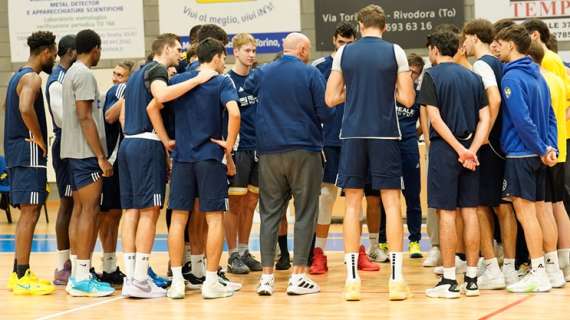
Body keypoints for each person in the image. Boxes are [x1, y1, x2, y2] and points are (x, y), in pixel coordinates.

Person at [325, 4, 415, 301]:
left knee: (352, 205)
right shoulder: (396, 51)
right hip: (385, 133)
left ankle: (352, 280)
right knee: (391, 203)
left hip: (351, 133)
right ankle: (396, 279)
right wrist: (383, 87)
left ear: (360, 25)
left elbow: (330, 98)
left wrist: (356, 90)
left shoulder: (344, 52)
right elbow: (407, 98)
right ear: (384, 26)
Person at [119, 33, 215, 298]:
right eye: (178, 49)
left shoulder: (136, 73)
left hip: (128, 144)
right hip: (146, 145)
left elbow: (125, 114)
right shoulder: (157, 68)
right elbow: (160, 97)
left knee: (131, 212)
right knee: (149, 212)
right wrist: (197, 79)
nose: (180, 54)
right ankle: (139, 279)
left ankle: (132, 278)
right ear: (167, 49)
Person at [151, 38, 241, 299]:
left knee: (178, 220)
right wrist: (229, 144)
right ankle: (211, 281)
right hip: (209, 157)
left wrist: (167, 139)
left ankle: (177, 281)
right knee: (214, 219)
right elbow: (234, 113)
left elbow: (153, 107)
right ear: (215, 57)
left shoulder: (178, 80)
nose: (224, 63)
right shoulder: (221, 81)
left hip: (182, 158)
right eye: (224, 58)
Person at [245, 32, 326, 296]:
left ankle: (267, 278)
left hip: (269, 151)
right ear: (302, 49)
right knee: (304, 213)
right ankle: (298, 277)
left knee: (269, 214)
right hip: (304, 149)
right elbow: (326, 111)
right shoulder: (311, 74)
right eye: (309, 48)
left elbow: (247, 89)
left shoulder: (264, 72)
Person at [419, 30, 490, 298]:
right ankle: (471, 279)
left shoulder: (431, 76)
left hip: (446, 152)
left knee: (447, 214)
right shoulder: (473, 78)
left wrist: (460, 150)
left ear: (436, 50)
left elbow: (434, 120)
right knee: (469, 211)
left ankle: (449, 280)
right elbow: (485, 118)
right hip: (470, 152)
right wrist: (471, 149)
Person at [494, 24, 558, 293]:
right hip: (539, 153)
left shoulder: (511, 78)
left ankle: (538, 272)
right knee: (543, 210)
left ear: (511, 45)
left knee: (526, 214)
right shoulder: (539, 76)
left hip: (522, 153)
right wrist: (549, 147)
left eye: (501, 42)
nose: (498, 47)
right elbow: (551, 116)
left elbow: (522, 120)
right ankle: (553, 270)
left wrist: (541, 148)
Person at [462, 19, 519, 288]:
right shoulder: (499, 62)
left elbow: (494, 99)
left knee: (482, 206)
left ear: (473, 37)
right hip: (503, 143)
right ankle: (508, 267)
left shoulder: (483, 63)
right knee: (504, 206)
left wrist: (483, 134)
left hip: (490, 145)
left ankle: (493, 269)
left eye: (466, 37)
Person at [60, 29, 115, 297]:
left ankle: (79, 273)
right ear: (95, 48)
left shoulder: (71, 71)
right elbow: (84, 117)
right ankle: (82, 276)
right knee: (89, 211)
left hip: (75, 153)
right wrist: (101, 156)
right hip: (85, 154)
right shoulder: (82, 74)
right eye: (100, 50)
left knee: (81, 211)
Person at [4, 31, 57, 296]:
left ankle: (19, 271)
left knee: (29, 210)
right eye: (55, 54)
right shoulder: (32, 77)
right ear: (45, 52)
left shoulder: (17, 75)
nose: (55, 59)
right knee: (30, 211)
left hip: (17, 151)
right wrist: (37, 136)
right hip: (28, 151)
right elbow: (25, 108)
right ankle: (21, 274)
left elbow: (8, 106)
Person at [524, 19, 570, 281]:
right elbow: (561, 109)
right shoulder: (553, 74)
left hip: (546, 149)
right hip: (557, 146)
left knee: (548, 206)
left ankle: (551, 264)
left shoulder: (544, 71)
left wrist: (545, 145)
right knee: (556, 205)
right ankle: (561, 262)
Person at [309, 22, 357, 275]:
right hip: (328, 140)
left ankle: (357, 250)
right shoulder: (319, 68)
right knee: (326, 197)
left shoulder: (361, 65)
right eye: (341, 43)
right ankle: (318, 252)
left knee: (355, 196)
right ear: (333, 41)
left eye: (350, 44)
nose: (344, 48)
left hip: (356, 137)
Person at [224, 33, 263, 275]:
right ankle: (231, 255)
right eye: (247, 50)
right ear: (235, 52)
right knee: (235, 204)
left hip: (259, 148)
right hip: (238, 149)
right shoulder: (226, 80)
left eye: (253, 51)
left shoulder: (259, 79)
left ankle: (244, 249)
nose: (251, 55)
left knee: (251, 203)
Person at [95, 60, 134, 285]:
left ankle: (109, 266)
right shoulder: (119, 90)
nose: (115, 78)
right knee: (105, 214)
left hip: (120, 161)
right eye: (114, 73)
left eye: (120, 75)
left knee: (115, 214)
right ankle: (96, 266)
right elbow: (110, 116)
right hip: (109, 159)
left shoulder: (124, 88)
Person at [46, 34, 76, 286]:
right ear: (71, 52)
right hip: (66, 145)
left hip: (75, 144)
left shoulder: (69, 77)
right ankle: (62, 265)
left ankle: (77, 263)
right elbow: (66, 120)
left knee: (77, 205)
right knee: (67, 204)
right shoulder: (57, 81)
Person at [396, 53, 425, 259]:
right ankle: (383, 241)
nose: (412, 75)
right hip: (388, 147)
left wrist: (412, 136)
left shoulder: (419, 94)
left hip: (409, 147)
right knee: (386, 196)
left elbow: (424, 123)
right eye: (409, 71)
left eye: (416, 73)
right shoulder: (388, 91)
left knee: (413, 196)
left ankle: (414, 241)